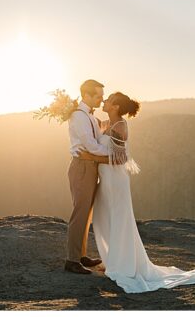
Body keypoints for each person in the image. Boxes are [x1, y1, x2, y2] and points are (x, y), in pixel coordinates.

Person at [88, 91, 195, 293]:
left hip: (115, 181)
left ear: (116, 106)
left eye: (108, 100)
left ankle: (120, 265)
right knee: (103, 217)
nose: (104, 101)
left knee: (118, 219)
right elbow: (88, 124)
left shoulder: (120, 126)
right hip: (106, 180)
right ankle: (111, 259)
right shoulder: (106, 124)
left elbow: (120, 159)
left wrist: (87, 157)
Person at [64, 79, 111, 275]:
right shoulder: (79, 116)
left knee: (87, 213)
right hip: (82, 166)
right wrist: (112, 155)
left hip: (90, 166)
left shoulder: (88, 116)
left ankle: (80, 255)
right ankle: (72, 260)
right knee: (80, 213)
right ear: (86, 95)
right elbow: (91, 146)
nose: (102, 99)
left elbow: (95, 137)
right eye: (98, 96)